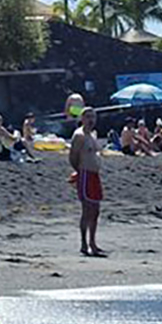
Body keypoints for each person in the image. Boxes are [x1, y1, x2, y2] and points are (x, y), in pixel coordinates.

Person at [69, 106, 105, 256]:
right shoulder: (79, 135)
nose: (91, 120)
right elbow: (73, 156)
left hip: (95, 175)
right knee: (87, 210)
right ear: (82, 119)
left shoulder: (93, 135)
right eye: (88, 117)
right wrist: (79, 171)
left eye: (93, 117)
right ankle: (84, 243)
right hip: (85, 174)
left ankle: (93, 242)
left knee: (95, 211)